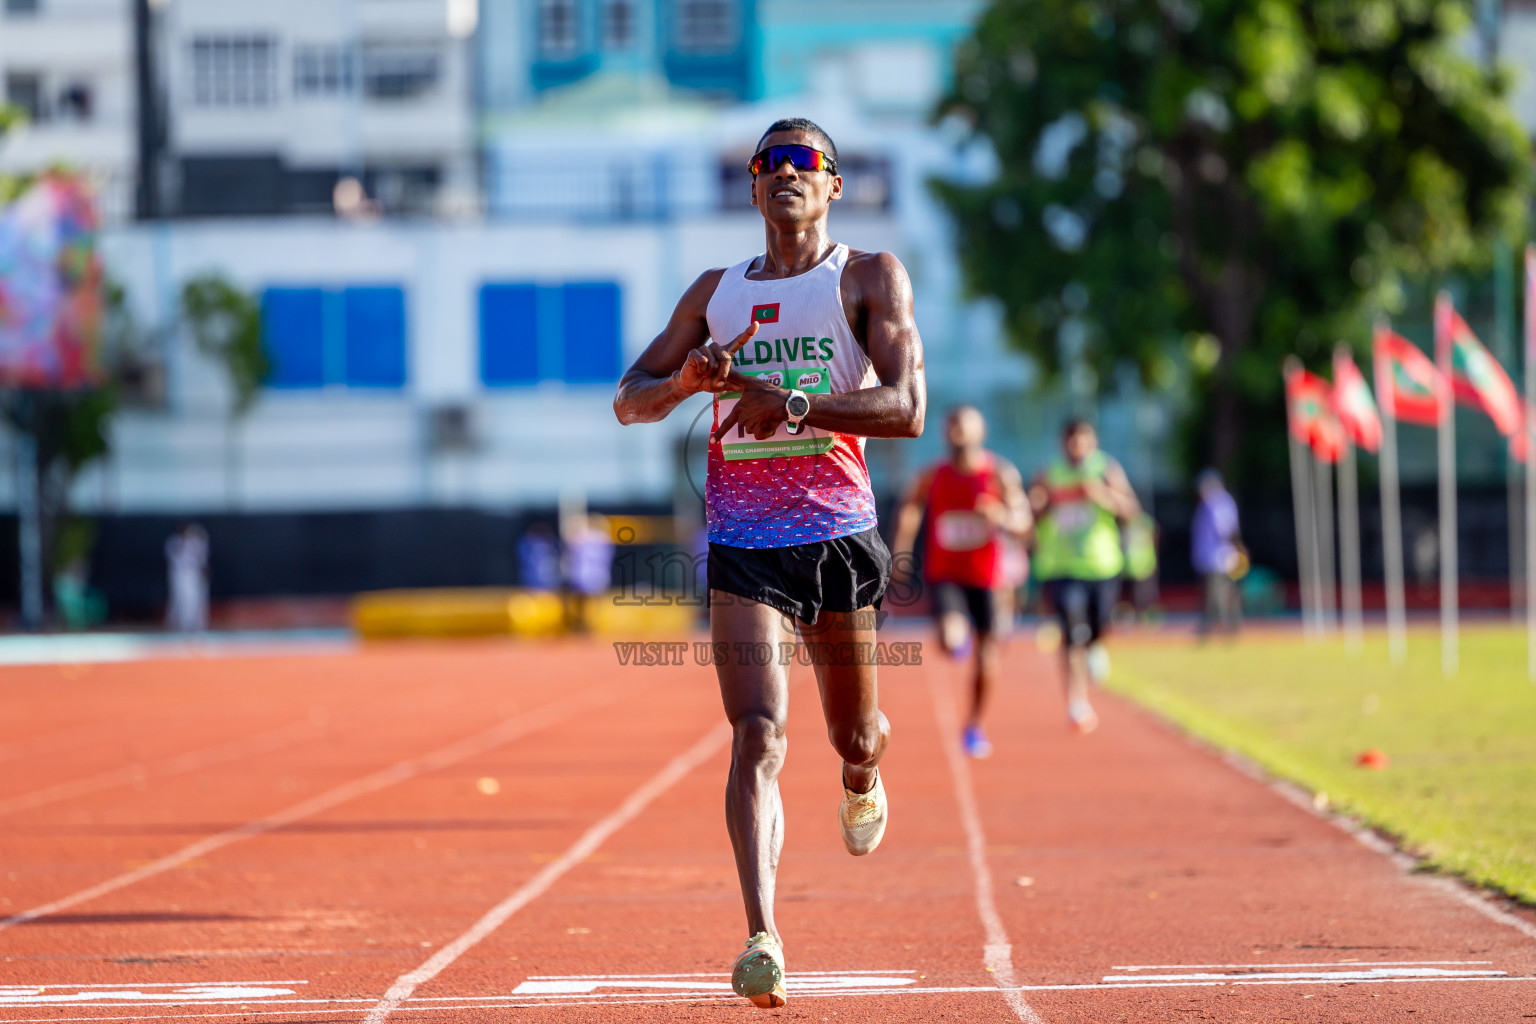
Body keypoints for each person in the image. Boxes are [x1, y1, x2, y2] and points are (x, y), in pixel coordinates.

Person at [613, 117, 925, 1009]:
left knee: (851, 736)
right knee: (757, 736)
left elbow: (905, 408)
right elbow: (629, 401)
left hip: (837, 537)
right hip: (745, 545)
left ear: (833, 185)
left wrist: (789, 401)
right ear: (752, 190)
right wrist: (689, 384)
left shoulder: (867, 276)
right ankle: (763, 936)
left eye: (806, 162)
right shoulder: (714, 293)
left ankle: (864, 775)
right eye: (770, 162)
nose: (787, 172)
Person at [892, 405, 1030, 758]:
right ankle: (958, 638)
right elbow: (910, 509)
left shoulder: (1000, 473)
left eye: (964, 426)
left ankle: (974, 725)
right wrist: (901, 552)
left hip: (988, 577)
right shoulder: (931, 475)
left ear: (980, 431)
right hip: (947, 573)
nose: (957, 431)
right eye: (952, 425)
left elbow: (1024, 521)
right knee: (952, 640)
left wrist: (1000, 515)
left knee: (988, 655)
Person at [1029, 420, 1139, 734]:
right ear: (1063, 443)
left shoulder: (1106, 469)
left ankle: (1096, 645)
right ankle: (1077, 701)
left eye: (1083, 441)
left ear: (1092, 442)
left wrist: (1104, 496)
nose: (1077, 448)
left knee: (1098, 626)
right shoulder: (1049, 473)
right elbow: (1032, 512)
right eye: (1071, 441)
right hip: (1063, 567)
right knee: (1072, 631)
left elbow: (1131, 509)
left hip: (1102, 565)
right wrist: (1044, 504)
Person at [1192, 468, 1243, 635]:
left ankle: (1223, 626)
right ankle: (1218, 626)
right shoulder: (1216, 502)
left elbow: (1225, 529)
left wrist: (1237, 547)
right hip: (1215, 557)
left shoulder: (1216, 502)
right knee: (1219, 593)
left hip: (1219, 557)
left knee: (1219, 594)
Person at [165, 522, 209, 633]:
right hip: (180, 573)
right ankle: (178, 623)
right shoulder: (174, 542)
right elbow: (174, 558)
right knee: (180, 598)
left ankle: (192, 624)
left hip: (193, 573)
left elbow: (201, 559)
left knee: (193, 599)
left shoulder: (196, 543)